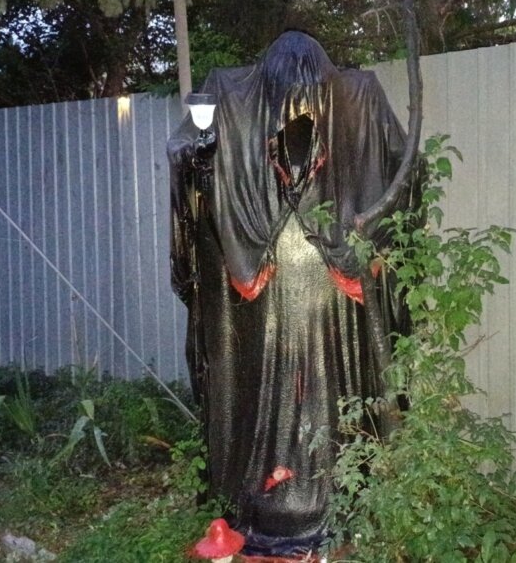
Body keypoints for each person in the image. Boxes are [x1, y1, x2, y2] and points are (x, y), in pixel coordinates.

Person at [167, 31, 409, 557]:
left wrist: (372, 212)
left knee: (333, 392)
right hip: (261, 309)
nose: (299, 113)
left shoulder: (360, 100)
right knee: (263, 390)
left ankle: (344, 498)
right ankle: (261, 497)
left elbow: (404, 162)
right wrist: (200, 159)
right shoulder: (229, 100)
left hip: (332, 299)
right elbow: (185, 153)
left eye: (310, 98)